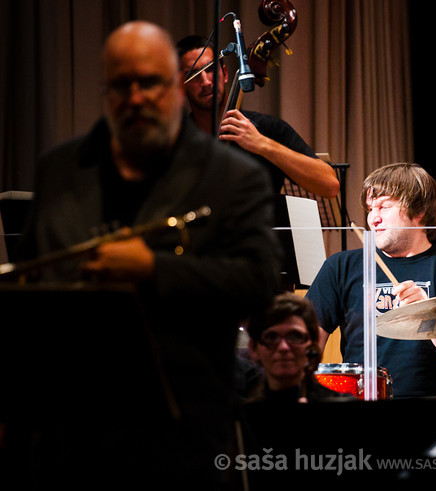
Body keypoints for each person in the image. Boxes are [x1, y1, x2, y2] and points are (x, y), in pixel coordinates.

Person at [6, 21, 280, 489]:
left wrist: (156, 269)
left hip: (181, 438)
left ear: (175, 86)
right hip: (71, 440)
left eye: (149, 82)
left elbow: (259, 285)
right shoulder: (59, 169)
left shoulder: (232, 177)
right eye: (120, 84)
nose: (135, 97)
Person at [305, 163, 436, 398]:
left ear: (419, 210)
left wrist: (429, 314)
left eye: (384, 206)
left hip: (433, 408)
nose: (373, 219)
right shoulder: (341, 266)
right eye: (371, 208)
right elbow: (307, 345)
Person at [176, 35, 339, 199]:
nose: (205, 82)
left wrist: (262, 144)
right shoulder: (176, 141)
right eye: (194, 74)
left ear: (225, 74)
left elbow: (330, 185)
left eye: (211, 70)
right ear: (180, 85)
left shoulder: (267, 129)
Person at [240, 292, 351, 402]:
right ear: (254, 347)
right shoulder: (237, 414)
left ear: (313, 344)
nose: (283, 347)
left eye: (295, 337)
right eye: (271, 337)